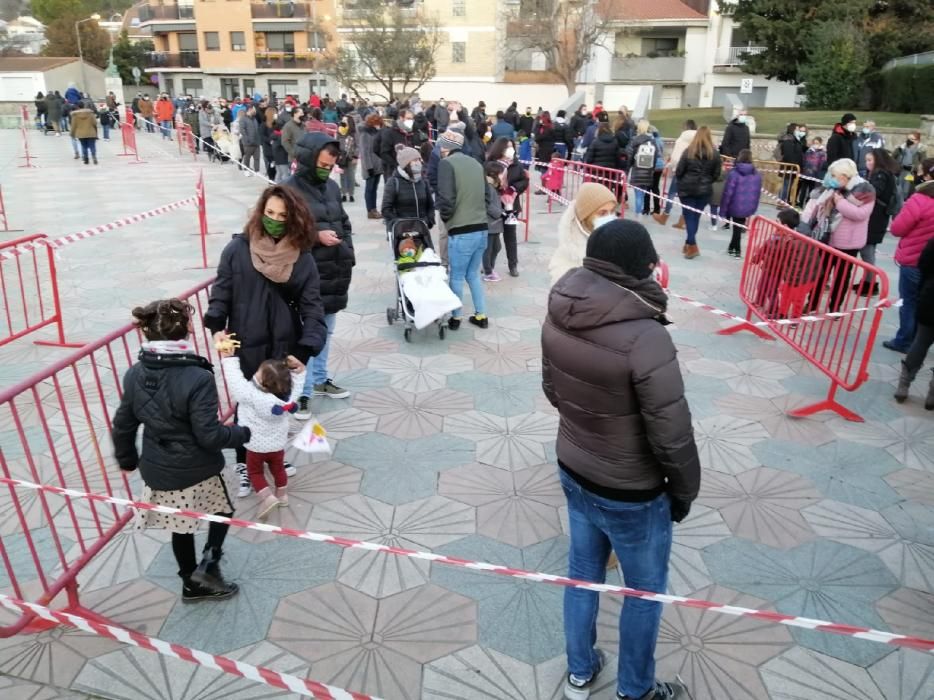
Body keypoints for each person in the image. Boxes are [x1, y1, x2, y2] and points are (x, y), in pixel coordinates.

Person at [542, 220, 699, 700]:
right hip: (632, 490)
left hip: (574, 464)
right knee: (644, 592)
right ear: (640, 268)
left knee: (583, 573)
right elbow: (671, 433)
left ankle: (580, 671)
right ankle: (636, 690)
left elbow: (552, 390)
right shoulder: (645, 334)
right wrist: (684, 491)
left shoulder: (560, 306)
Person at [112, 299, 250, 603]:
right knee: (223, 509)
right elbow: (209, 435)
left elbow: (123, 423)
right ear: (185, 332)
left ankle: (190, 580)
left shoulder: (135, 373)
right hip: (198, 467)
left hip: (158, 466)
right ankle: (210, 565)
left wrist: (128, 459)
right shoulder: (198, 377)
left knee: (181, 526)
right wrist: (241, 434)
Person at [204, 186, 327, 494]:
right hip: (245, 342)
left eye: (283, 216)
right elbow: (222, 293)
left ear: (294, 220)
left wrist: (305, 349)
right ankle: (245, 463)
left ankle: (274, 456)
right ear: (260, 212)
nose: (274, 220)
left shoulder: (303, 259)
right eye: (270, 213)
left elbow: (313, 309)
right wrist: (217, 325)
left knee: (278, 406)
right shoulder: (237, 250)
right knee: (246, 407)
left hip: (285, 349)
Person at [283, 133, 356, 407]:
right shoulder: (289, 190)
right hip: (305, 275)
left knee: (326, 331)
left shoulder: (333, 188)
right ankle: (302, 390)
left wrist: (347, 251)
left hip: (335, 270)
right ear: (307, 160)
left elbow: (344, 222)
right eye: (322, 166)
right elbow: (282, 232)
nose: (327, 171)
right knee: (306, 334)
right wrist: (316, 236)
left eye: (330, 166)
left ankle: (320, 379)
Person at [220, 348, 305, 518]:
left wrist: (229, 358)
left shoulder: (249, 394)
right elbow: (297, 385)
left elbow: (235, 380)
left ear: (262, 381)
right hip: (277, 445)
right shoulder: (288, 398)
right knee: (278, 468)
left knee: (255, 472)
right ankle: (282, 496)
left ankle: (267, 497)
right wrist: (300, 371)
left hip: (255, 445)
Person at [803, 158, 875, 313]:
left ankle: (835, 307)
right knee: (819, 274)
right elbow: (819, 205)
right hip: (827, 238)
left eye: (835, 176)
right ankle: (812, 303)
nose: (832, 179)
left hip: (848, 242)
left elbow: (860, 214)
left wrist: (840, 202)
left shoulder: (865, 191)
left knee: (841, 277)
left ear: (844, 176)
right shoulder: (834, 189)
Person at [435, 128, 489, 330]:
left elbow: (445, 199)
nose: (439, 148)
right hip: (481, 228)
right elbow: (486, 195)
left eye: (441, 145)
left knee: (456, 276)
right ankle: (481, 315)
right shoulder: (476, 163)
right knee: (473, 274)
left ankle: (456, 317)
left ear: (447, 147)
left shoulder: (446, 164)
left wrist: (448, 221)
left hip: (461, 230)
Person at [883, 158, 934, 354]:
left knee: (910, 301)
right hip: (929, 261)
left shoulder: (919, 199)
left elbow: (897, 228)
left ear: (926, 175)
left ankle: (905, 340)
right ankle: (921, 341)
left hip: (914, 259)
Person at [549, 182, 617, 283]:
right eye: (602, 213)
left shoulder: (618, 242)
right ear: (585, 216)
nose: (609, 217)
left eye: (612, 211)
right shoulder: (565, 265)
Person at [893, 237, 934, 409]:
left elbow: (924, 265)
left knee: (920, 342)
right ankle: (932, 395)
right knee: (920, 342)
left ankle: (904, 384)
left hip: (931, 297)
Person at [853, 148, 898, 295]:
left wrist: (858, 194)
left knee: (867, 252)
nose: (867, 163)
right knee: (868, 251)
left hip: (875, 217)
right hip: (878, 216)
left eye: (870, 160)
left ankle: (870, 284)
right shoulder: (885, 173)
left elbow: (874, 192)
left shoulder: (880, 174)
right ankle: (867, 281)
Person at [675, 126, 722, 259]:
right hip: (704, 191)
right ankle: (688, 243)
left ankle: (692, 245)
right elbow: (716, 174)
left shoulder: (688, 151)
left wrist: (682, 181)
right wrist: (707, 181)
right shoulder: (715, 154)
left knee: (689, 217)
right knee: (695, 217)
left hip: (687, 189)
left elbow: (679, 171)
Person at [487, 137, 528, 277]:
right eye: (507, 147)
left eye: (512, 146)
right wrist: (499, 190)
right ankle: (488, 265)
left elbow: (524, 180)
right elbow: (486, 183)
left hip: (512, 206)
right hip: (495, 206)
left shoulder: (516, 165)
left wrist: (513, 189)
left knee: (510, 236)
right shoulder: (490, 164)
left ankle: (513, 265)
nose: (511, 150)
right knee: (493, 238)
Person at [719, 149, 762, 258]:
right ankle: (732, 248)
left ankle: (736, 250)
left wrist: (723, 210)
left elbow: (728, 192)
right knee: (738, 228)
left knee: (737, 229)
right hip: (748, 205)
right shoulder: (756, 175)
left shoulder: (734, 173)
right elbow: (757, 192)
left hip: (735, 204)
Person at [654, 120, 696, 227]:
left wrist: (668, 166)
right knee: (686, 198)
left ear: (685, 128)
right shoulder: (698, 139)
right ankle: (682, 221)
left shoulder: (681, 139)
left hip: (680, 171)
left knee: (671, 195)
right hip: (692, 173)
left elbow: (676, 158)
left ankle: (664, 217)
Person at [382, 146, 434, 231]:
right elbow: (386, 209)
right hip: (401, 231)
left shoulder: (423, 181)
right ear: (406, 164)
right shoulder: (393, 182)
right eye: (415, 160)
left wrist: (429, 220)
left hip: (421, 230)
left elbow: (430, 205)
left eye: (419, 160)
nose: (419, 163)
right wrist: (400, 223)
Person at [482, 161, 506, 281]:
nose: (503, 176)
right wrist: (499, 213)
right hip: (490, 223)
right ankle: (488, 271)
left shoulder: (494, 186)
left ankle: (489, 267)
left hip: (495, 223)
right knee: (488, 248)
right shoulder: (488, 187)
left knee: (496, 247)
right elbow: (488, 205)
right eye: (501, 174)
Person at [627, 120, 657, 216]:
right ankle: (640, 211)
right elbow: (655, 156)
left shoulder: (634, 140)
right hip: (648, 171)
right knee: (643, 193)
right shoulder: (652, 141)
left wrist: (629, 166)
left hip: (637, 170)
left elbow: (630, 155)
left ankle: (638, 214)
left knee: (638, 195)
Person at [359, 113, 384, 219]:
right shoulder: (365, 134)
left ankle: (374, 209)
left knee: (374, 188)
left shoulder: (377, 133)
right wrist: (369, 167)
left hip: (378, 166)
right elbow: (365, 152)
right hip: (370, 166)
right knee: (369, 189)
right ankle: (370, 210)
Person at [893, 132, 926, 199]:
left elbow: (923, 164)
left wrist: (913, 167)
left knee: (908, 192)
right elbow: (892, 158)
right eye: (908, 139)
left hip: (912, 174)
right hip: (900, 173)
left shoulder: (921, 150)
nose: (910, 141)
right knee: (897, 191)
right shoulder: (901, 148)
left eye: (912, 139)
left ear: (918, 141)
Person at [778, 123, 805, 203]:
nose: (798, 131)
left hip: (794, 167)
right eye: (797, 129)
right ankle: (781, 202)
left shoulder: (796, 140)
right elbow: (788, 154)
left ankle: (784, 201)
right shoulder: (788, 140)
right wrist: (794, 165)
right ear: (792, 130)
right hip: (789, 167)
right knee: (786, 185)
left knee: (788, 185)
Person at [799, 136, 827, 208]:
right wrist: (804, 170)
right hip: (806, 173)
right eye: (814, 143)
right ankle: (800, 204)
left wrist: (817, 172)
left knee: (811, 190)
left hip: (815, 174)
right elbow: (804, 160)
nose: (815, 144)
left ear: (820, 143)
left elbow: (822, 163)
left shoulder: (822, 153)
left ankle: (808, 204)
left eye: (817, 143)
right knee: (803, 189)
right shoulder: (808, 151)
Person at [337, 115, 359, 202]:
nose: (343, 121)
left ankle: (351, 194)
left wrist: (355, 156)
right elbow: (336, 142)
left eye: (345, 120)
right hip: (341, 157)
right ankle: (344, 193)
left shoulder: (353, 132)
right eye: (342, 119)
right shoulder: (340, 130)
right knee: (342, 175)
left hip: (351, 156)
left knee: (351, 175)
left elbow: (358, 145)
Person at [69, 101, 99, 165]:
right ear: (84, 106)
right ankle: (94, 157)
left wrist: (72, 134)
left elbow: (73, 125)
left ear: (78, 107)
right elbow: (95, 123)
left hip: (81, 134)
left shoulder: (75, 115)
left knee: (84, 146)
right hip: (91, 132)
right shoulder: (90, 113)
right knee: (92, 146)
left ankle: (86, 159)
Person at [238, 104, 261, 175]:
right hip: (248, 143)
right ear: (250, 110)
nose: (255, 111)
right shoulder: (243, 119)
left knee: (257, 158)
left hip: (256, 142)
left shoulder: (254, 119)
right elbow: (242, 130)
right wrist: (247, 139)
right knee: (247, 158)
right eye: (254, 109)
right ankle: (246, 170)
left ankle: (257, 171)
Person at [260, 106, 279, 181]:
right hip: (268, 149)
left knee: (275, 166)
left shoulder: (276, 124)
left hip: (276, 148)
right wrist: (270, 141)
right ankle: (271, 179)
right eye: (275, 113)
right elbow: (262, 136)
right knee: (271, 164)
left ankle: (274, 179)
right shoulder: (263, 125)